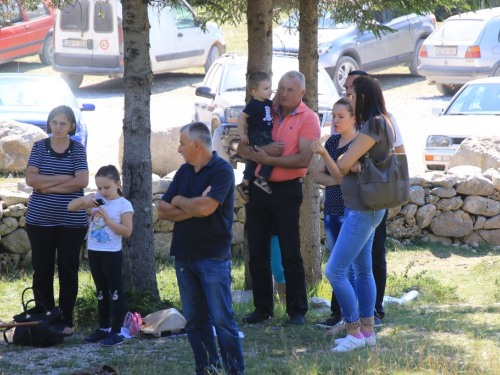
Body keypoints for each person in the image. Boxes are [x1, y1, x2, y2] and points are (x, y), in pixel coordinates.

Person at [318, 70, 406, 331]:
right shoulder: (383, 121)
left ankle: (354, 330)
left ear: (363, 96)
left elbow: (342, 164)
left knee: (334, 271)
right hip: (367, 208)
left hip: (361, 209)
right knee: (363, 271)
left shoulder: (374, 123)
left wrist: (350, 161)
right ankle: (367, 332)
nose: (349, 98)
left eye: (352, 94)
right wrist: (355, 162)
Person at [158, 122, 244, 375]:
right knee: (195, 321)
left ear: (196, 144)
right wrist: (193, 206)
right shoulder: (184, 172)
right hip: (184, 256)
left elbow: (206, 209)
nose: (178, 149)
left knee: (222, 320)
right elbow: (163, 210)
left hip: (213, 257)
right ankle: (207, 370)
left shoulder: (222, 171)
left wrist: (180, 201)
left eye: (182, 144)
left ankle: (234, 371)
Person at [237, 71, 321, 326]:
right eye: (281, 88)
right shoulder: (264, 109)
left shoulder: (309, 118)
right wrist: (254, 152)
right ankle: (263, 308)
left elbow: (304, 159)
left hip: (287, 190)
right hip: (259, 190)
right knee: (257, 251)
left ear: (302, 93)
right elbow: (241, 147)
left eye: (289, 90)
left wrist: (268, 159)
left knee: (290, 250)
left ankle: (297, 310)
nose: (283, 94)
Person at [25, 105, 89, 336]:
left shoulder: (78, 149)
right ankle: (45, 318)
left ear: (72, 126)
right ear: (49, 124)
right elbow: (31, 179)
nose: (58, 127)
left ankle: (66, 320)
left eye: (63, 123)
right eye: (54, 122)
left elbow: (81, 181)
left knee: (68, 271)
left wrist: (49, 186)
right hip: (39, 221)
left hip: (71, 223)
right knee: (41, 271)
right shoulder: (39, 147)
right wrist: (64, 178)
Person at [68, 165, 134, 347]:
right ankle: (104, 328)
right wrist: (85, 199)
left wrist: (107, 220)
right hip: (95, 252)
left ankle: (117, 331)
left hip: (111, 254)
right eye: (99, 188)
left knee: (114, 291)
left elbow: (127, 231)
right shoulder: (97, 200)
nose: (103, 192)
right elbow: (70, 207)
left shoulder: (124, 204)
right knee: (101, 292)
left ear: (118, 184)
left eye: (107, 187)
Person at [311, 98, 358, 332]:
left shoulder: (359, 143)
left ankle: (351, 317)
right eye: (333, 116)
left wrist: (339, 181)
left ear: (353, 119)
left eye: (340, 116)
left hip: (351, 212)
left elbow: (340, 177)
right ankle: (336, 314)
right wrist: (339, 182)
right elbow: (318, 175)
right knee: (336, 264)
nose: (335, 121)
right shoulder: (331, 142)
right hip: (332, 210)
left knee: (347, 267)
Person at [236, 71, 274, 202]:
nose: (270, 91)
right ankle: (262, 178)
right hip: (258, 133)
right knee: (272, 154)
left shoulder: (266, 102)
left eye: (270, 87)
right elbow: (241, 117)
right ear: (254, 92)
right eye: (266, 88)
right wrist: (242, 134)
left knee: (255, 158)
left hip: (264, 134)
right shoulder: (254, 104)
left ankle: (245, 181)